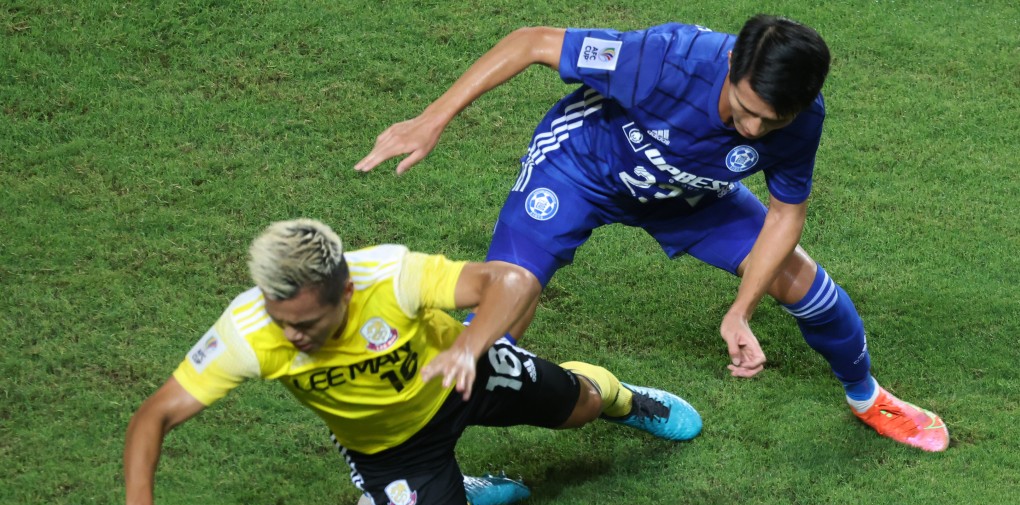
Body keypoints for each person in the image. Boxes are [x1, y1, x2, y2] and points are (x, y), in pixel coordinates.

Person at [354, 15, 949, 455]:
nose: (753, 130)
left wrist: (741, 311)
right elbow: (531, 42)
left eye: (772, 122)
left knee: (809, 288)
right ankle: (404, 476)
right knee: (496, 319)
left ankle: (867, 396)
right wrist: (432, 119)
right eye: (744, 110)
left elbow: (785, 213)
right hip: (582, 169)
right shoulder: (668, 58)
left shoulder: (800, 121)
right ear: (733, 66)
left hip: (688, 194)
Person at [121, 218, 701, 505]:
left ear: (345, 294)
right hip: (394, 450)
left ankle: (622, 396)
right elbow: (155, 415)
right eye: (280, 320)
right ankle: (434, 494)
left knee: (583, 406)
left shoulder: (388, 276)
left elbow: (512, 281)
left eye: (305, 324)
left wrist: (472, 348)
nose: (290, 335)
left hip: (466, 378)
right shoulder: (248, 334)